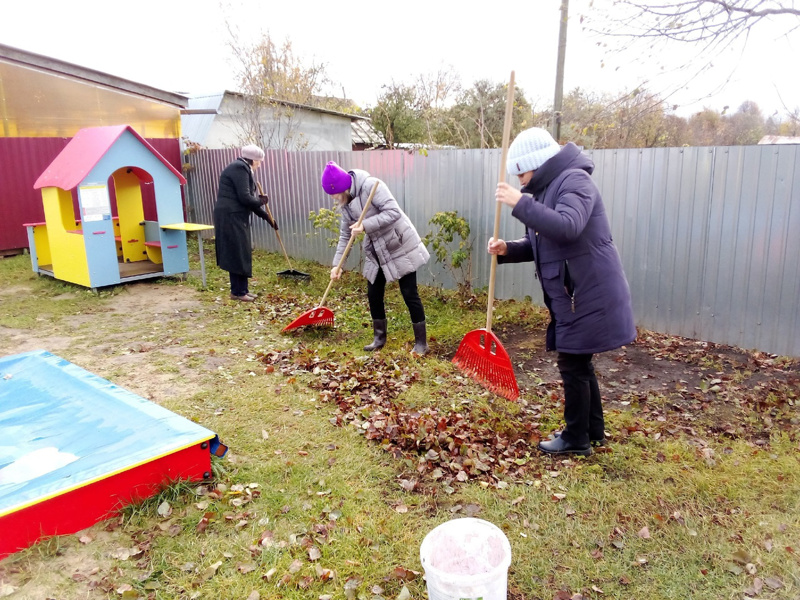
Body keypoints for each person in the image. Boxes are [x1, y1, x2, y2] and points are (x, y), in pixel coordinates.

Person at [489, 128, 636, 456]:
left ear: (537, 164)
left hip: (588, 292)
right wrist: (507, 249)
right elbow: (542, 240)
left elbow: (567, 226)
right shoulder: (544, 190)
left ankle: (575, 438)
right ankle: (592, 430)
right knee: (579, 362)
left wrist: (520, 203)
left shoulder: (574, 181)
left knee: (572, 362)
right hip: (574, 293)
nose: (520, 181)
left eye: (522, 172)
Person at [321, 161, 430, 354]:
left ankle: (421, 343)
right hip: (376, 248)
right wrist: (337, 265)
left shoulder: (371, 185)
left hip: (399, 243)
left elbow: (394, 212)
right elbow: (346, 235)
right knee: (373, 292)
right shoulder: (346, 203)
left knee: (409, 292)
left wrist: (365, 225)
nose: (335, 198)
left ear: (342, 186)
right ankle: (379, 338)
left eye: (335, 194)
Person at [213, 144, 278, 302]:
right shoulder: (239, 168)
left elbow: (248, 202)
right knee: (237, 254)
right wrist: (261, 201)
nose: (260, 164)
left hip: (236, 216)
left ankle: (242, 290)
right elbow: (245, 198)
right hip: (230, 217)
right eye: (259, 161)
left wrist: (267, 218)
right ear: (253, 160)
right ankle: (238, 292)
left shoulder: (242, 168)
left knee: (241, 253)